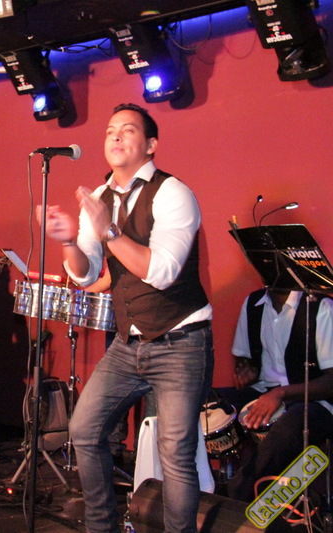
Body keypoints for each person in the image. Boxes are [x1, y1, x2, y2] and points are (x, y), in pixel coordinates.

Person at [40, 103, 214, 532]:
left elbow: (162, 271)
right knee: (84, 429)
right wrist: (68, 242)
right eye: (110, 130)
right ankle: (102, 526)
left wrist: (109, 231)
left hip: (181, 338)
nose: (116, 136)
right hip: (129, 341)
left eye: (128, 129)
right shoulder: (98, 199)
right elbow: (84, 274)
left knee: (176, 453)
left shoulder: (173, 193)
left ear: (151, 144)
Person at [220, 288, 333, 504]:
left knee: (289, 427)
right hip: (265, 391)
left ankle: (237, 497)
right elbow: (246, 361)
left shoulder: (321, 306)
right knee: (207, 403)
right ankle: (203, 489)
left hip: (315, 401)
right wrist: (247, 372)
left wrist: (281, 394)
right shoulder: (253, 303)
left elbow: (331, 382)